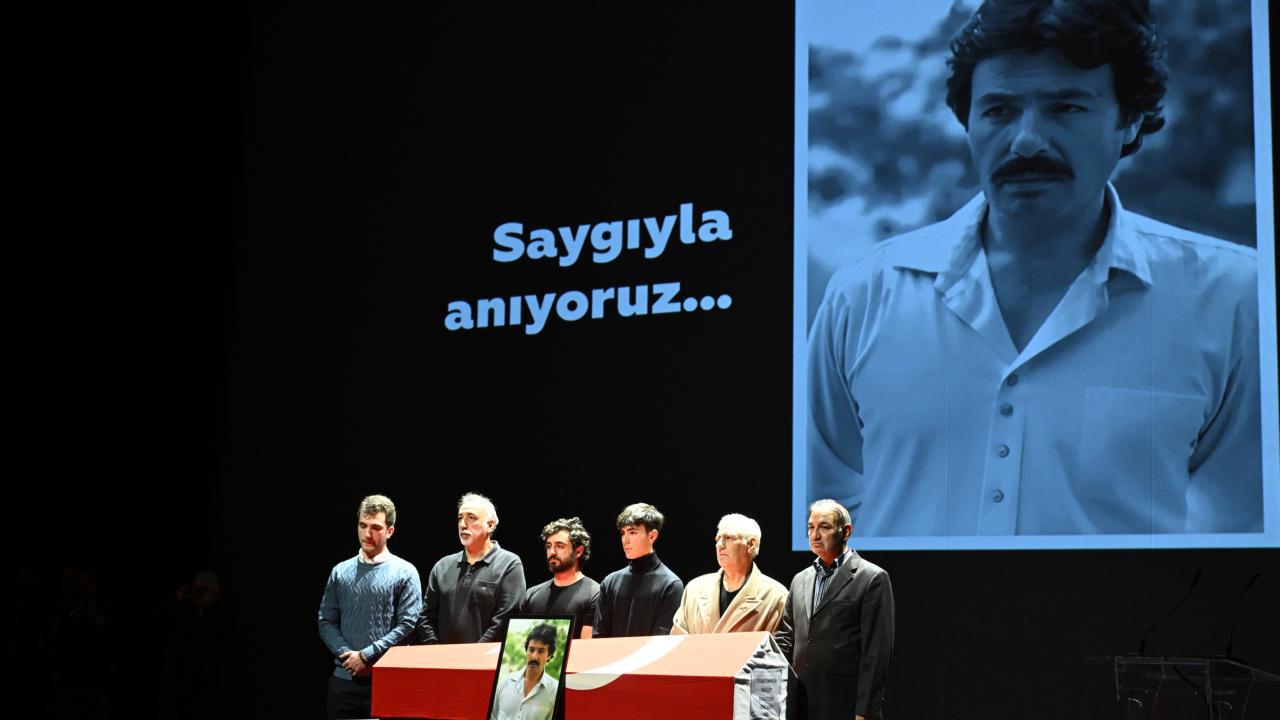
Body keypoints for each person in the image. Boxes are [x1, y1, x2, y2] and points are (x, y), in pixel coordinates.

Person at [807, 0, 1261, 537]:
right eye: (998, 110)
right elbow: (815, 510)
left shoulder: (1231, 298)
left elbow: (1245, 528)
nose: (1025, 140)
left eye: (1065, 107)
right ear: (968, 122)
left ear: (1130, 118)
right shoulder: (865, 296)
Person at [776, 499, 894, 720]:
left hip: (844, 704)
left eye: (824, 527)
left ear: (846, 531)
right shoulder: (800, 580)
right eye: (811, 527)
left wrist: (865, 711)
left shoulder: (872, 578)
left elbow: (876, 653)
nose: (815, 535)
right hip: (799, 704)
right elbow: (786, 639)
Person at [318, 495, 422, 720]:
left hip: (386, 681)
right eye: (363, 525)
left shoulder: (405, 572)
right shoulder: (340, 571)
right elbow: (326, 620)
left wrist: (366, 656)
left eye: (375, 527)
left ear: (390, 531)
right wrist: (349, 657)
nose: (367, 534)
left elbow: (409, 624)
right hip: (343, 680)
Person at [416, 492, 526, 644]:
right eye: (460, 518)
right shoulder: (442, 566)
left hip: (485, 657)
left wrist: (475, 653)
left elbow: (506, 618)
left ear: (490, 525)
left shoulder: (509, 564)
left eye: (471, 518)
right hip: (442, 657)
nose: (462, 524)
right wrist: (436, 650)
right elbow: (426, 617)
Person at [671, 513, 787, 635]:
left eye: (729, 537)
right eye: (718, 538)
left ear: (751, 545)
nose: (719, 545)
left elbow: (777, 645)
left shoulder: (776, 596)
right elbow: (677, 639)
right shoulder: (694, 589)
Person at [593, 502, 683, 637]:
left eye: (632, 532)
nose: (625, 540)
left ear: (652, 536)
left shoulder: (670, 585)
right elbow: (599, 636)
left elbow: (661, 641)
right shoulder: (610, 582)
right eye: (623, 533)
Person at [522, 516, 601, 638]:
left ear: (578, 551)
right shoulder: (532, 594)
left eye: (559, 546)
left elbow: (587, 645)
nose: (552, 552)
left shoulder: (594, 593)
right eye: (549, 546)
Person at [490, 622, 561, 720]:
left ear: (549, 656)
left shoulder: (555, 691)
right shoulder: (505, 682)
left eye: (541, 651)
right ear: (526, 651)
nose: (534, 656)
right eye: (531, 650)